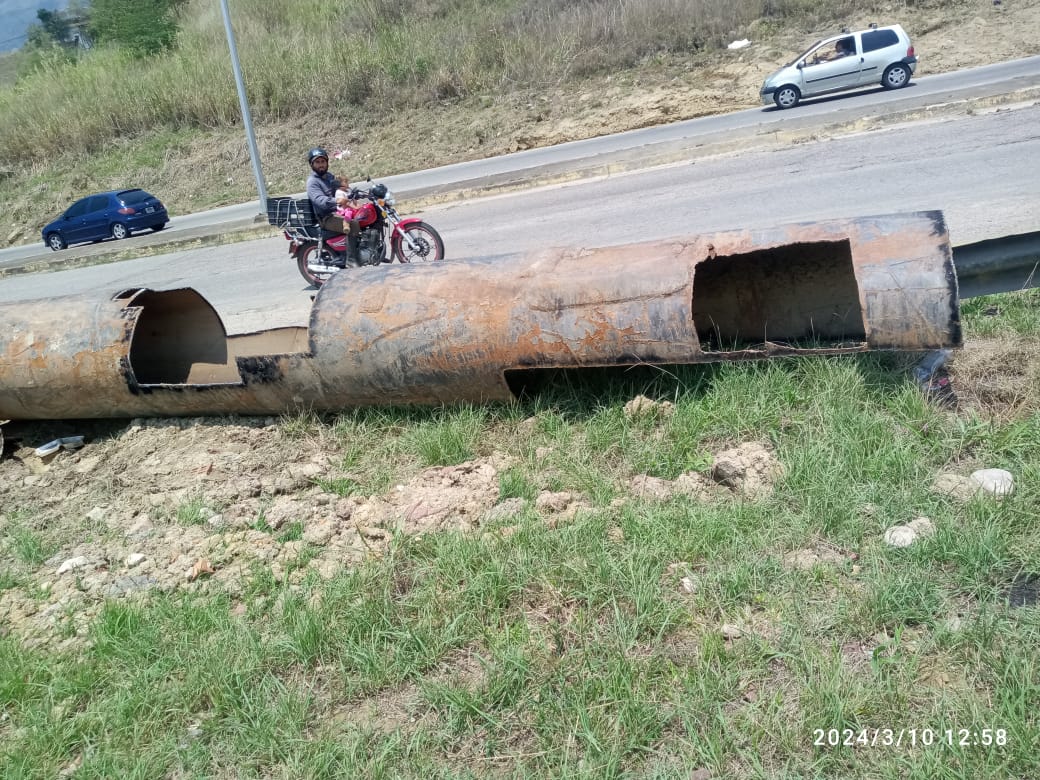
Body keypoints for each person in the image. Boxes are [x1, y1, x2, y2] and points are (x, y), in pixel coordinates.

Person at [305, 147, 360, 265]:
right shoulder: (312, 182)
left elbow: (340, 188)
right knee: (353, 224)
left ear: (327, 163)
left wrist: (352, 193)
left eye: (323, 162)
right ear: (312, 164)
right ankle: (351, 261)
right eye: (317, 162)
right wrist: (337, 200)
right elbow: (319, 200)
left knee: (362, 215)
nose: (321, 165)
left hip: (338, 211)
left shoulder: (329, 177)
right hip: (326, 217)